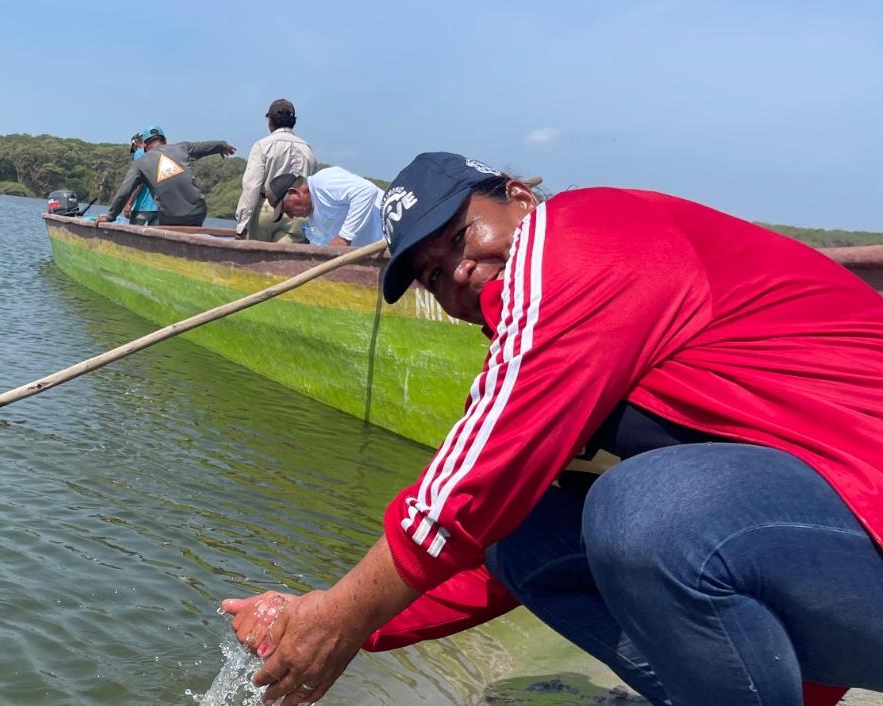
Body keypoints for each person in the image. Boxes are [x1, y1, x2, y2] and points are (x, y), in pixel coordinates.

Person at [221, 152, 883, 706]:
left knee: (646, 511)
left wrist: (337, 615)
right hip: (831, 553)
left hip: (863, 520)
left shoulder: (582, 235)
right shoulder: (565, 352)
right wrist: (335, 624)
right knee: (523, 534)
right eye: (431, 274)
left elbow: (467, 488)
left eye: (457, 237)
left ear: (519, 198)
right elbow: (488, 543)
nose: (455, 273)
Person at [97, 126, 235, 227]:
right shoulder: (182, 147)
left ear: (145, 145)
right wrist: (223, 146)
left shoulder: (140, 163)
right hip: (198, 211)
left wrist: (110, 216)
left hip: (171, 216)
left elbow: (124, 192)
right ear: (166, 140)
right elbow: (207, 146)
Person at [235, 99, 317, 243]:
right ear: (293, 122)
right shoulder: (308, 149)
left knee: (257, 260)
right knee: (287, 260)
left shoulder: (262, 146)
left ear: (270, 121)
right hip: (298, 212)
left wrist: (242, 225)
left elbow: (251, 187)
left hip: (267, 209)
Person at [265, 167, 383, 247]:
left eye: (287, 209)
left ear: (295, 193)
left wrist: (344, 237)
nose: (291, 216)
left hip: (390, 239)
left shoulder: (324, 181)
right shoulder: (313, 222)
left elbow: (367, 191)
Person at [126, 131, 161, 226]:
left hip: (143, 207)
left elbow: (139, 182)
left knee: (132, 238)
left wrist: (129, 203)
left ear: (135, 143)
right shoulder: (160, 153)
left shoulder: (139, 153)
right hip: (160, 208)